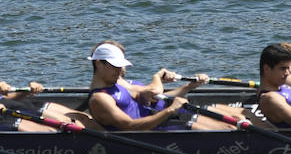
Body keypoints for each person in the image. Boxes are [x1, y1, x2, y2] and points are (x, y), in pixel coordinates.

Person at [84, 41, 232, 131]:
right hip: (153, 135)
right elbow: (130, 126)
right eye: (115, 66)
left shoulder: (116, 85)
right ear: (98, 64)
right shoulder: (100, 99)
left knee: (230, 126)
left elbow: (153, 96)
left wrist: (189, 86)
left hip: (160, 122)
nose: (120, 70)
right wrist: (170, 110)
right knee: (227, 128)